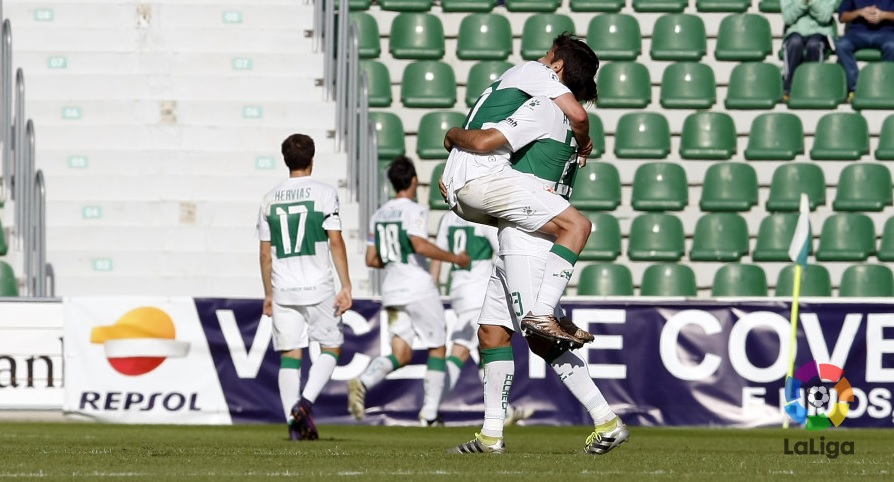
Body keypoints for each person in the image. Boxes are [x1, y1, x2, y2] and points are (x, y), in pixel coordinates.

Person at [445, 96, 627, 455]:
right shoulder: (571, 128)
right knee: (491, 333)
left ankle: (606, 420)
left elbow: (488, 142)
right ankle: (490, 435)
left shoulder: (544, 109)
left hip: (527, 237)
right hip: (519, 228)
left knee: (540, 338)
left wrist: (455, 157)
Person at [441, 34, 600, 349]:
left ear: (558, 64)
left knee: (492, 336)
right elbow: (579, 117)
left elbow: (576, 114)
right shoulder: (544, 100)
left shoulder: (533, 75)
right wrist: (585, 144)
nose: (542, 58)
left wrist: (452, 138)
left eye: (548, 54)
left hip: (465, 183)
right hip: (483, 176)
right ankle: (545, 311)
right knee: (577, 225)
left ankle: (548, 310)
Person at [348, 156, 471, 426]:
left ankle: (364, 381)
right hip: (417, 287)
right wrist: (454, 258)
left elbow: (371, 259)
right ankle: (429, 415)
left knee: (400, 354)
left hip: (391, 290)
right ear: (414, 180)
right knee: (437, 347)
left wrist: (395, 257)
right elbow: (418, 244)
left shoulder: (379, 214)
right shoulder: (414, 210)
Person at [256, 133, 353, 441]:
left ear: (286, 161)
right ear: (312, 159)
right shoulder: (324, 193)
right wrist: (346, 285)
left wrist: (268, 295)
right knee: (331, 348)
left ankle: (292, 421)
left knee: (290, 355)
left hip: (283, 288)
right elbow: (335, 240)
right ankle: (305, 403)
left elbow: (264, 252)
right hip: (318, 287)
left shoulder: (268, 198)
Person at [430, 210, 534, 426]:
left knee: (483, 349)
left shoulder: (448, 217)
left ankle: (504, 411)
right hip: (478, 290)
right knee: (461, 349)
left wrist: (433, 289)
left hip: (457, 289)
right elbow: (501, 250)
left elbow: (438, 255)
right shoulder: (479, 215)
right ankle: (429, 411)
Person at [836, 0, 894, 100]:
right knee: (842, 45)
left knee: (892, 46)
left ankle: (883, 85)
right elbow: (842, 17)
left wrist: (883, 15)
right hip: (857, 33)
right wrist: (859, 12)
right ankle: (856, 87)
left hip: (886, 33)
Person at [781, 0, 838, 101]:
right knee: (794, 43)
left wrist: (811, 2)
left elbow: (825, 17)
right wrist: (802, 3)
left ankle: (815, 87)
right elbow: (788, 18)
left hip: (820, 31)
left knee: (814, 45)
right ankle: (789, 88)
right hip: (795, 31)